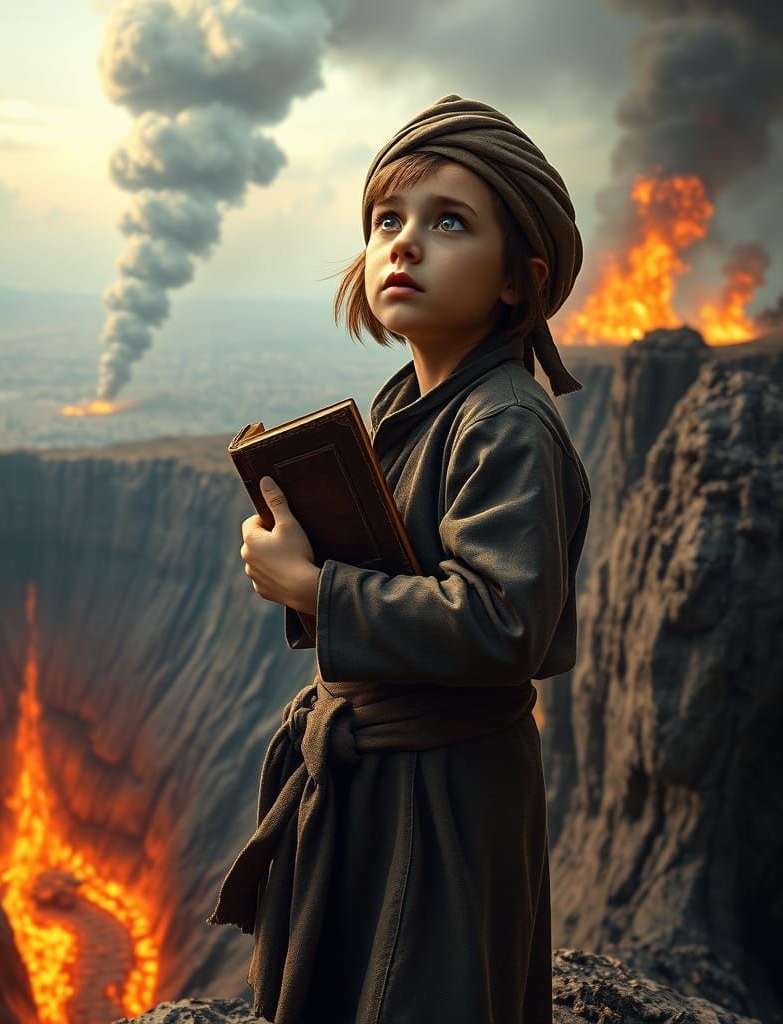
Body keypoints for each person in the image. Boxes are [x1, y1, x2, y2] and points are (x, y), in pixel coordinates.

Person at [206, 94, 592, 1024]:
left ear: (518, 278)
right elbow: (411, 574)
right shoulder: (412, 406)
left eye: (448, 221)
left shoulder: (504, 422)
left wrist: (312, 586)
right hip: (388, 786)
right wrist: (301, 558)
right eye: (388, 220)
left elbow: (501, 622)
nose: (404, 243)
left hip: (447, 799)